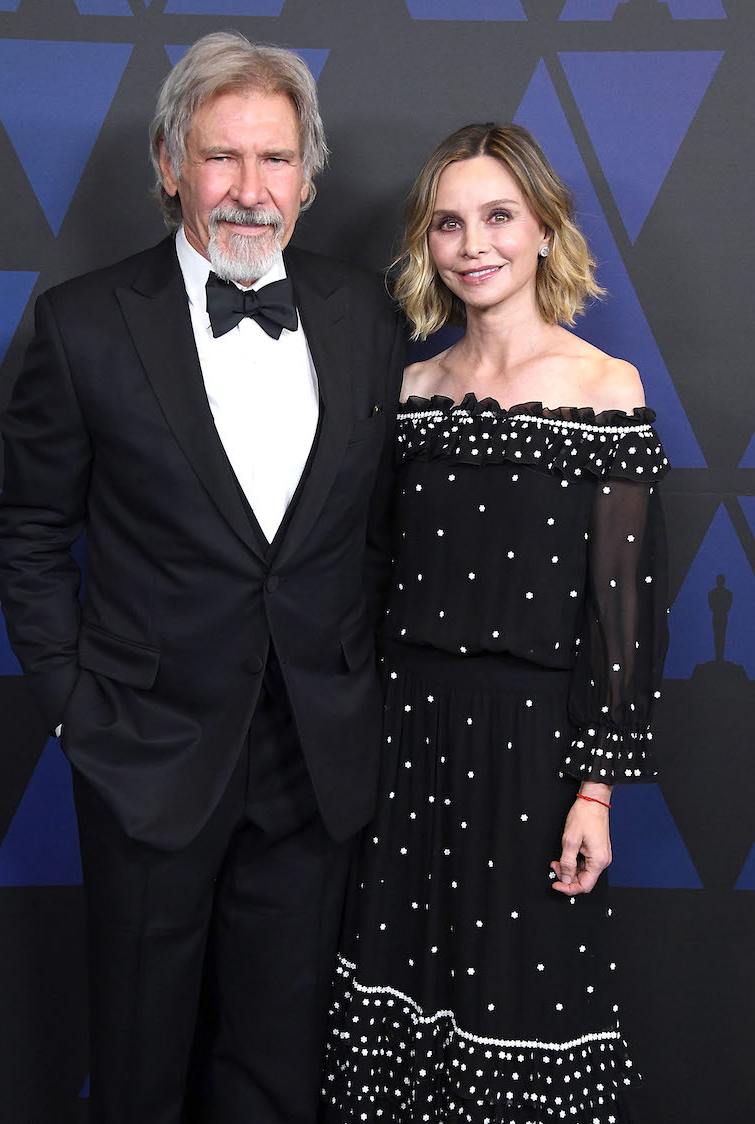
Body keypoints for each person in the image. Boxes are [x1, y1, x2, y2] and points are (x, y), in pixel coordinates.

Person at [0, 31, 404, 1124]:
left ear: (308, 180)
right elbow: (29, 528)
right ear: (169, 164)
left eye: (274, 161)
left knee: (277, 1063)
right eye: (221, 158)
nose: (248, 190)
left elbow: (368, 529)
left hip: (313, 754)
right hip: (145, 749)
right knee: (139, 1062)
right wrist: (78, 712)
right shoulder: (81, 325)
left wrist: (348, 673)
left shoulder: (367, 315)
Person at [323, 123, 669, 1123]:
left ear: (543, 229)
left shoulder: (604, 388)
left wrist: (592, 791)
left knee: (521, 1014)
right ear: (423, 244)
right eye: (445, 223)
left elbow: (623, 614)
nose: (471, 243)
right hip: (405, 739)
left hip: (534, 751)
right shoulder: (410, 391)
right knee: (398, 1018)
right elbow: (373, 572)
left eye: (496, 215)